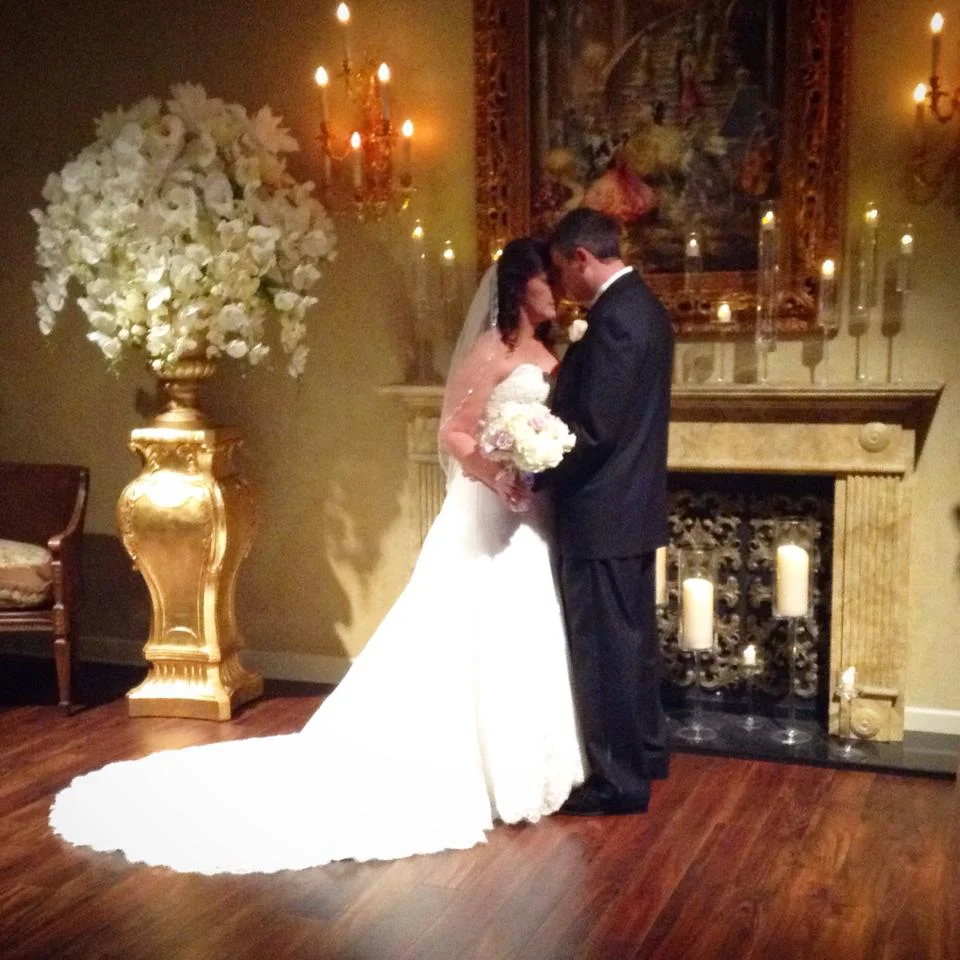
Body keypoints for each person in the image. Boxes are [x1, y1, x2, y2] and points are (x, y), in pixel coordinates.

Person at [48, 239, 584, 875]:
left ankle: (530, 763)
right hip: (491, 508)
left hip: (534, 516)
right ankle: (471, 767)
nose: (556, 289)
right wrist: (498, 474)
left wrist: (536, 455)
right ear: (521, 285)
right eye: (547, 280)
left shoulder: (553, 351)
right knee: (469, 627)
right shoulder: (490, 352)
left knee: (522, 629)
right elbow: (453, 431)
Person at [537, 208, 674, 816]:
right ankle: (644, 751)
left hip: (602, 513)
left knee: (606, 652)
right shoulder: (643, 307)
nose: (563, 286)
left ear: (581, 258)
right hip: (629, 509)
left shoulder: (615, 320)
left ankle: (618, 782)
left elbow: (593, 430)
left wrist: (539, 467)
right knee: (632, 643)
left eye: (563, 271)